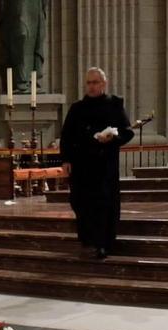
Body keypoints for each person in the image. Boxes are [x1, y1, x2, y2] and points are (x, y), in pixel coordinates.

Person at [60, 67, 134, 259]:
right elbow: (66, 136)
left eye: (95, 82)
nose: (91, 86)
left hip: (104, 165)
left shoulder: (114, 105)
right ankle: (88, 241)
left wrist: (111, 139)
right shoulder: (77, 108)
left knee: (104, 205)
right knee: (80, 202)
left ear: (104, 84)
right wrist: (66, 159)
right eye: (89, 83)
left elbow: (127, 132)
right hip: (82, 165)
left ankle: (103, 244)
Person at [0, 0, 48, 92]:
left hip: (35, 6)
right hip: (18, 5)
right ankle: (22, 81)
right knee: (22, 36)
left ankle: (31, 79)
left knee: (37, 38)